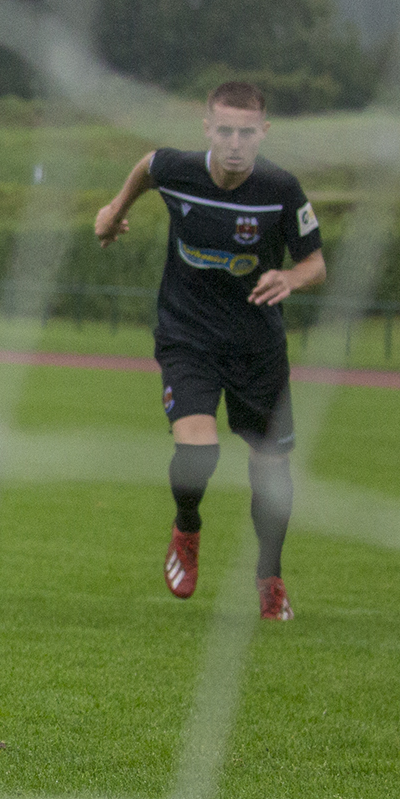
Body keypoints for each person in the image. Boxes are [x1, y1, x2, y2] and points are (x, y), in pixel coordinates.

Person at [94, 80, 325, 620]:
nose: (235, 142)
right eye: (225, 130)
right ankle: (187, 528)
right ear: (207, 129)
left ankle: (270, 577)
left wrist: (292, 278)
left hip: (257, 349)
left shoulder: (280, 189)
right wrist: (114, 208)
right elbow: (148, 165)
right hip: (188, 337)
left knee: (271, 469)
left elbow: (316, 263)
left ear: (264, 133)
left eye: (247, 132)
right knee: (199, 453)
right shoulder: (181, 170)